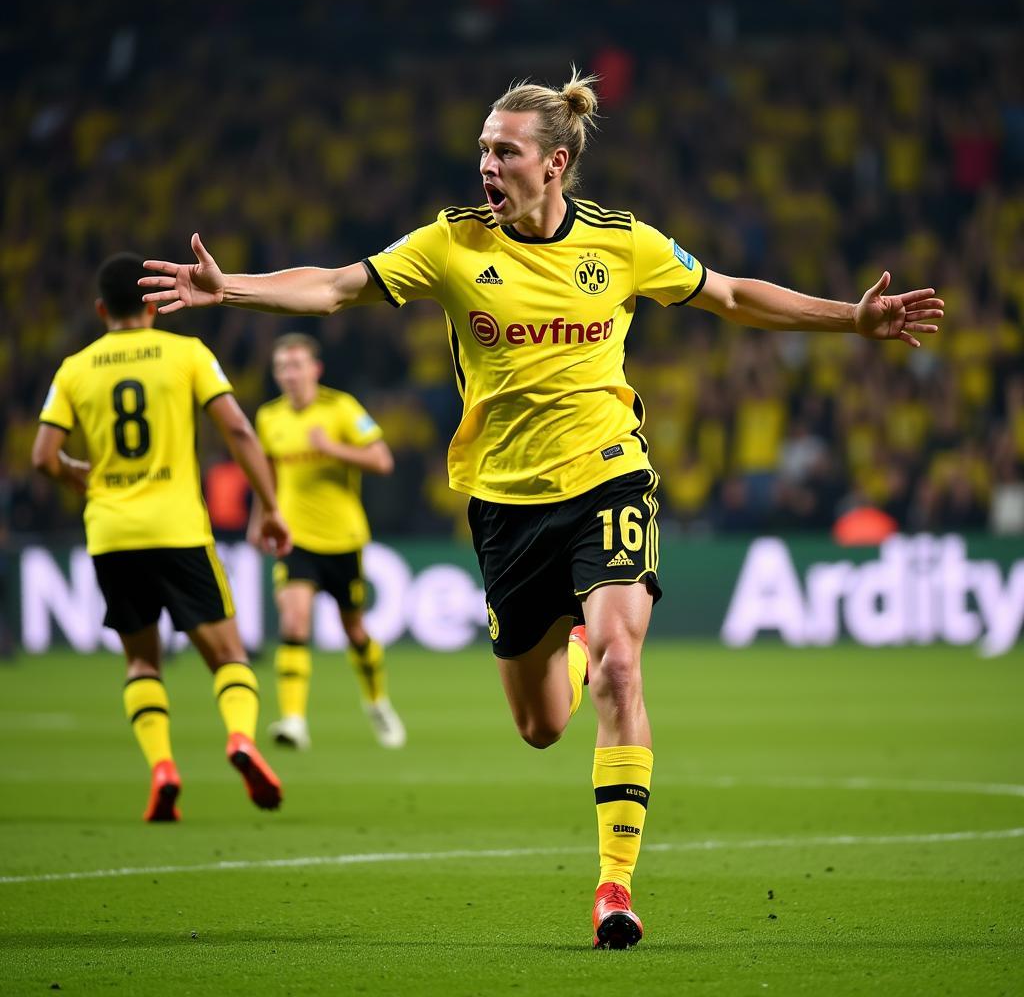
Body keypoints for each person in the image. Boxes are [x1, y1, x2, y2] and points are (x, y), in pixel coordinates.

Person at [139, 69, 944, 946]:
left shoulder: (623, 243)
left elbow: (730, 295)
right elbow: (335, 286)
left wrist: (849, 320)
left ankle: (614, 890)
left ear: (554, 163)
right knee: (539, 726)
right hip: (505, 504)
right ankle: (565, 642)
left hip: (609, 476)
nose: (486, 163)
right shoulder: (450, 246)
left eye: (504, 150)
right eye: (483, 148)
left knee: (622, 663)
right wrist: (234, 289)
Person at [33, 252, 292, 822]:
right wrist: (270, 507)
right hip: (176, 527)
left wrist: (80, 475)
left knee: (142, 664)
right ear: (153, 304)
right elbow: (238, 429)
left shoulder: (75, 368)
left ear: (102, 310)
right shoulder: (186, 355)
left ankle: (162, 767)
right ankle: (241, 740)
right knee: (228, 656)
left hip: (111, 532)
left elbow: (43, 457)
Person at [251, 332, 404, 750]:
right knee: (294, 621)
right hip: (294, 537)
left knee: (355, 631)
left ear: (315, 369)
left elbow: (381, 460)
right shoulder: (269, 418)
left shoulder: (341, 408)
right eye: (282, 367)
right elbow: (266, 473)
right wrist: (261, 518)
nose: (290, 374)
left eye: (297, 365)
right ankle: (293, 720)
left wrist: (332, 448)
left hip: (342, 538)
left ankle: (377, 702)